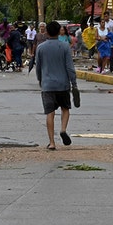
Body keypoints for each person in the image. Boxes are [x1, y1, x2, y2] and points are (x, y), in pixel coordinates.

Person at [35, 21, 78, 150]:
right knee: (65, 109)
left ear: (47, 32)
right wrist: (73, 83)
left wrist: (40, 81)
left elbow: (38, 67)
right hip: (63, 84)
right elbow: (70, 67)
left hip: (47, 85)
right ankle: (63, 129)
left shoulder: (40, 48)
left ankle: (52, 142)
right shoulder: (65, 46)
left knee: (50, 113)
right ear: (59, 31)